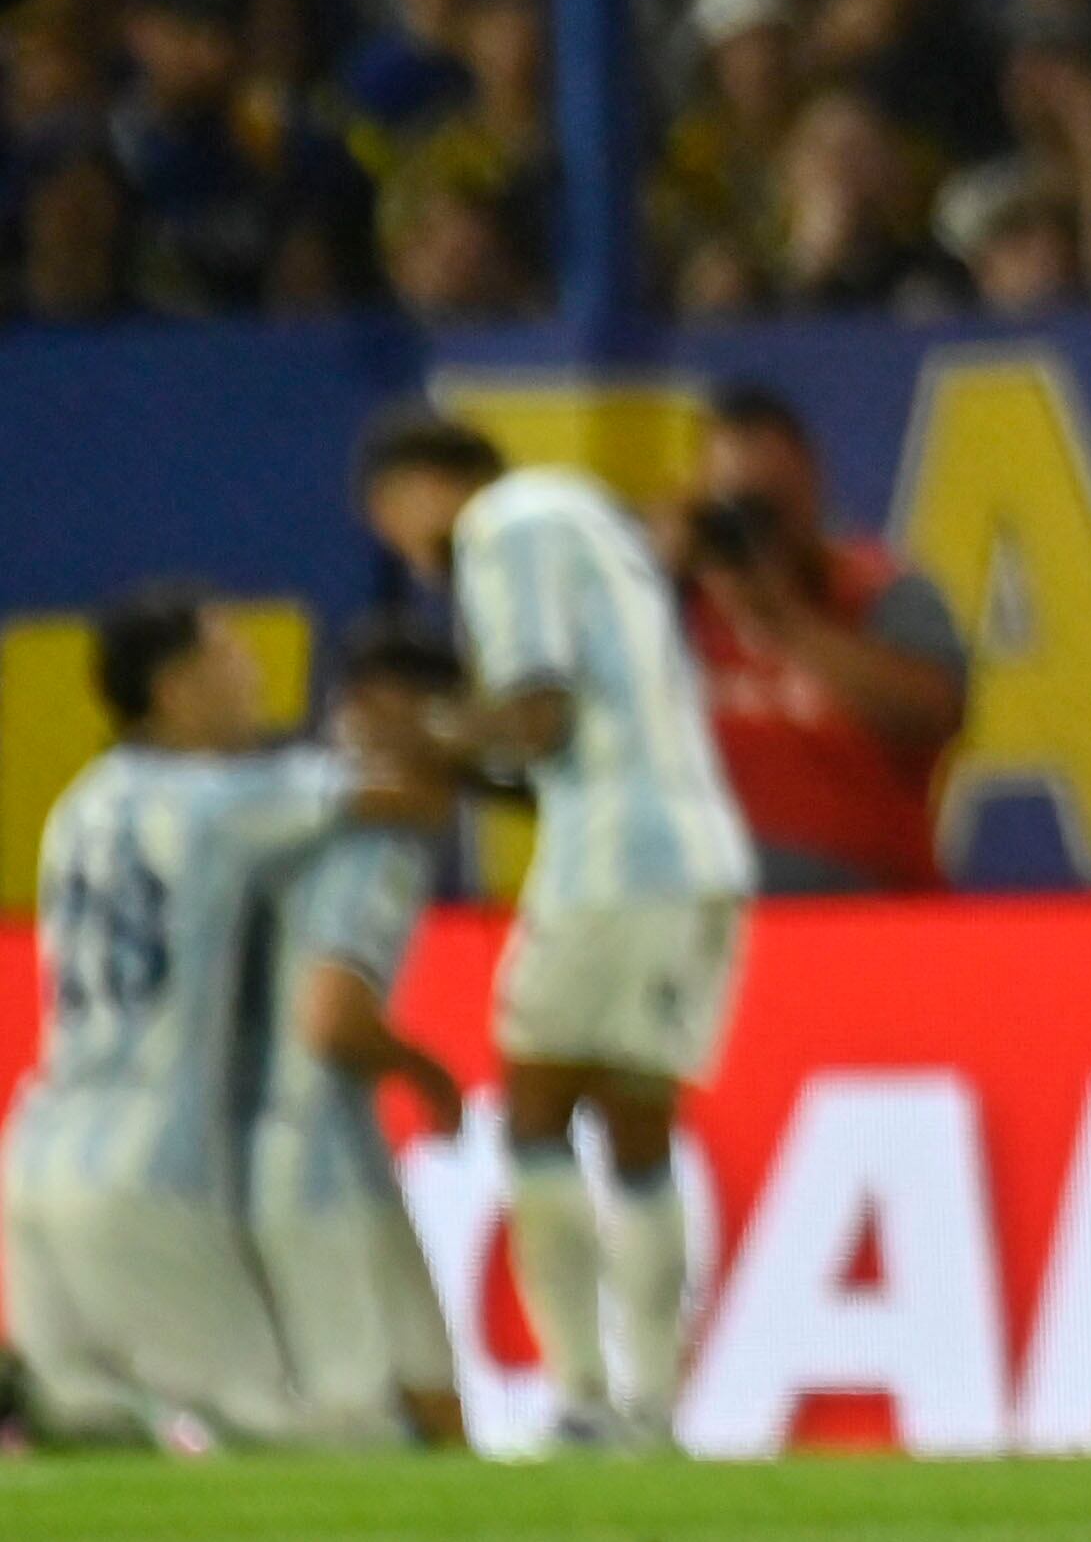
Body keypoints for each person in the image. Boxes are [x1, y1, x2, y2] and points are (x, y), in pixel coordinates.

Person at [354, 403, 758, 1454]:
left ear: (418, 486)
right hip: (699, 855)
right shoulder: (588, 518)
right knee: (639, 1130)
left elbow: (539, 717)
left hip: (613, 864)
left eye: (393, 521)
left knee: (536, 1113)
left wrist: (423, 732)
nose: (409, 552)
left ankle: (580, 1397)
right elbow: (566, 743)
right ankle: (653, 1409)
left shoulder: (503, 526)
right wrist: (458, 753)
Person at [2, 584, 442, 1447]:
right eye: (230, 656)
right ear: (174, 688)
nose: (254, 677)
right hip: (148, 1173)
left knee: (91, 1427)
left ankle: (48, 1399)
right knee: (290, 1433)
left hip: (36, 1160)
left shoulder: (77, 807)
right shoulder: (222, 802)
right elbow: (406, 795)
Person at [247, 609, 469, 1450]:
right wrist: (426, 1072)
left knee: (430, 1397)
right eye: (443, 716)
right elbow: (331, 1017)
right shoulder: (381, 837)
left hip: (266, 1140)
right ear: (377, 704)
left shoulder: (271, 809)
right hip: (311, 1156)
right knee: (366, 1423)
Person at [675, 379, 970, 891]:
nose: (753, 532)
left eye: (768, 508)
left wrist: (783, 621)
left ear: (809, 491)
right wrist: (647, 570)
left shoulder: (879, 590)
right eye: (733, 509)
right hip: (706, 904)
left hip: (863, 905)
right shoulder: (674, 604)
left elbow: (936, 713)